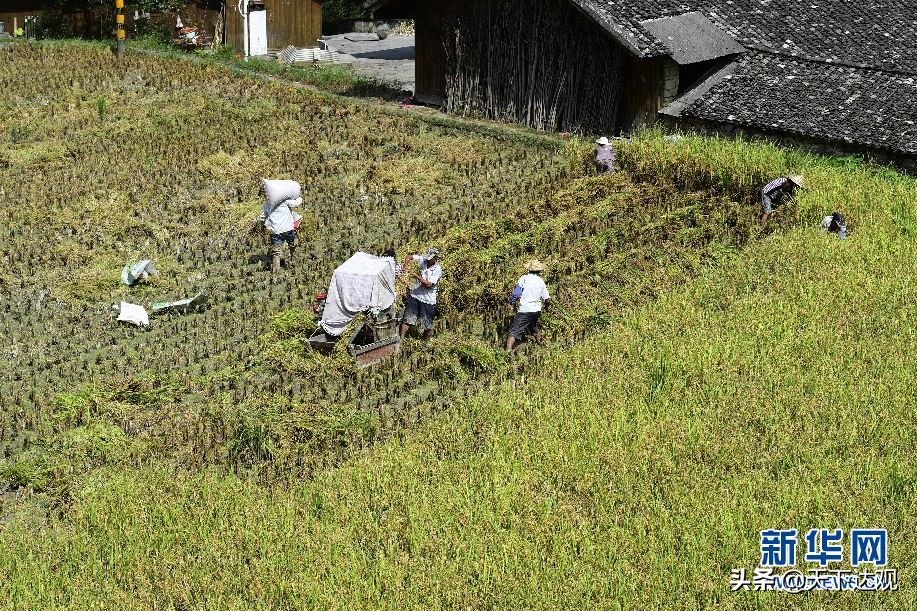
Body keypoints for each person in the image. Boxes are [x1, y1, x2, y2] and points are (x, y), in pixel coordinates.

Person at [506, 259, 551, 351]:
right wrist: (547, 308)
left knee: (513, 332)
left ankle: (507, 351)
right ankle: (541, 344)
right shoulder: (540, 281)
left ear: (528, 270)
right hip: (536, 311)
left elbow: (516, 293)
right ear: (539, 271)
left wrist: (511, 303)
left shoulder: (524, 278)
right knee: (533, 326)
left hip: (525, 310)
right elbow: (547, 299)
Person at [259, 180, 303, 272]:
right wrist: (300, 197)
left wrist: (260, 224)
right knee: (292, 246)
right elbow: (296, 203)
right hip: (288, 229)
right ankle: (292, 263)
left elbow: (262, 217)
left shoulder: (267, 204)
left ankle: (276, 269)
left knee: (276, 252)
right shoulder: (285, 202)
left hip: (276, 231)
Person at [400, 248, 442, 339]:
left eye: (429, 258)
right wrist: (405, 265)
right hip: (415, 295)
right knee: (407, 320)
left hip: (428, 300)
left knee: (427, 325)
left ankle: (425, 344)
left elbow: (429, 284)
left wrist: (417, 277)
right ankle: (401, 340)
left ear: (435, 258)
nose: (427, 260)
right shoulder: (423, 260)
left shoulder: (437, 270)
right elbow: (409, 256)